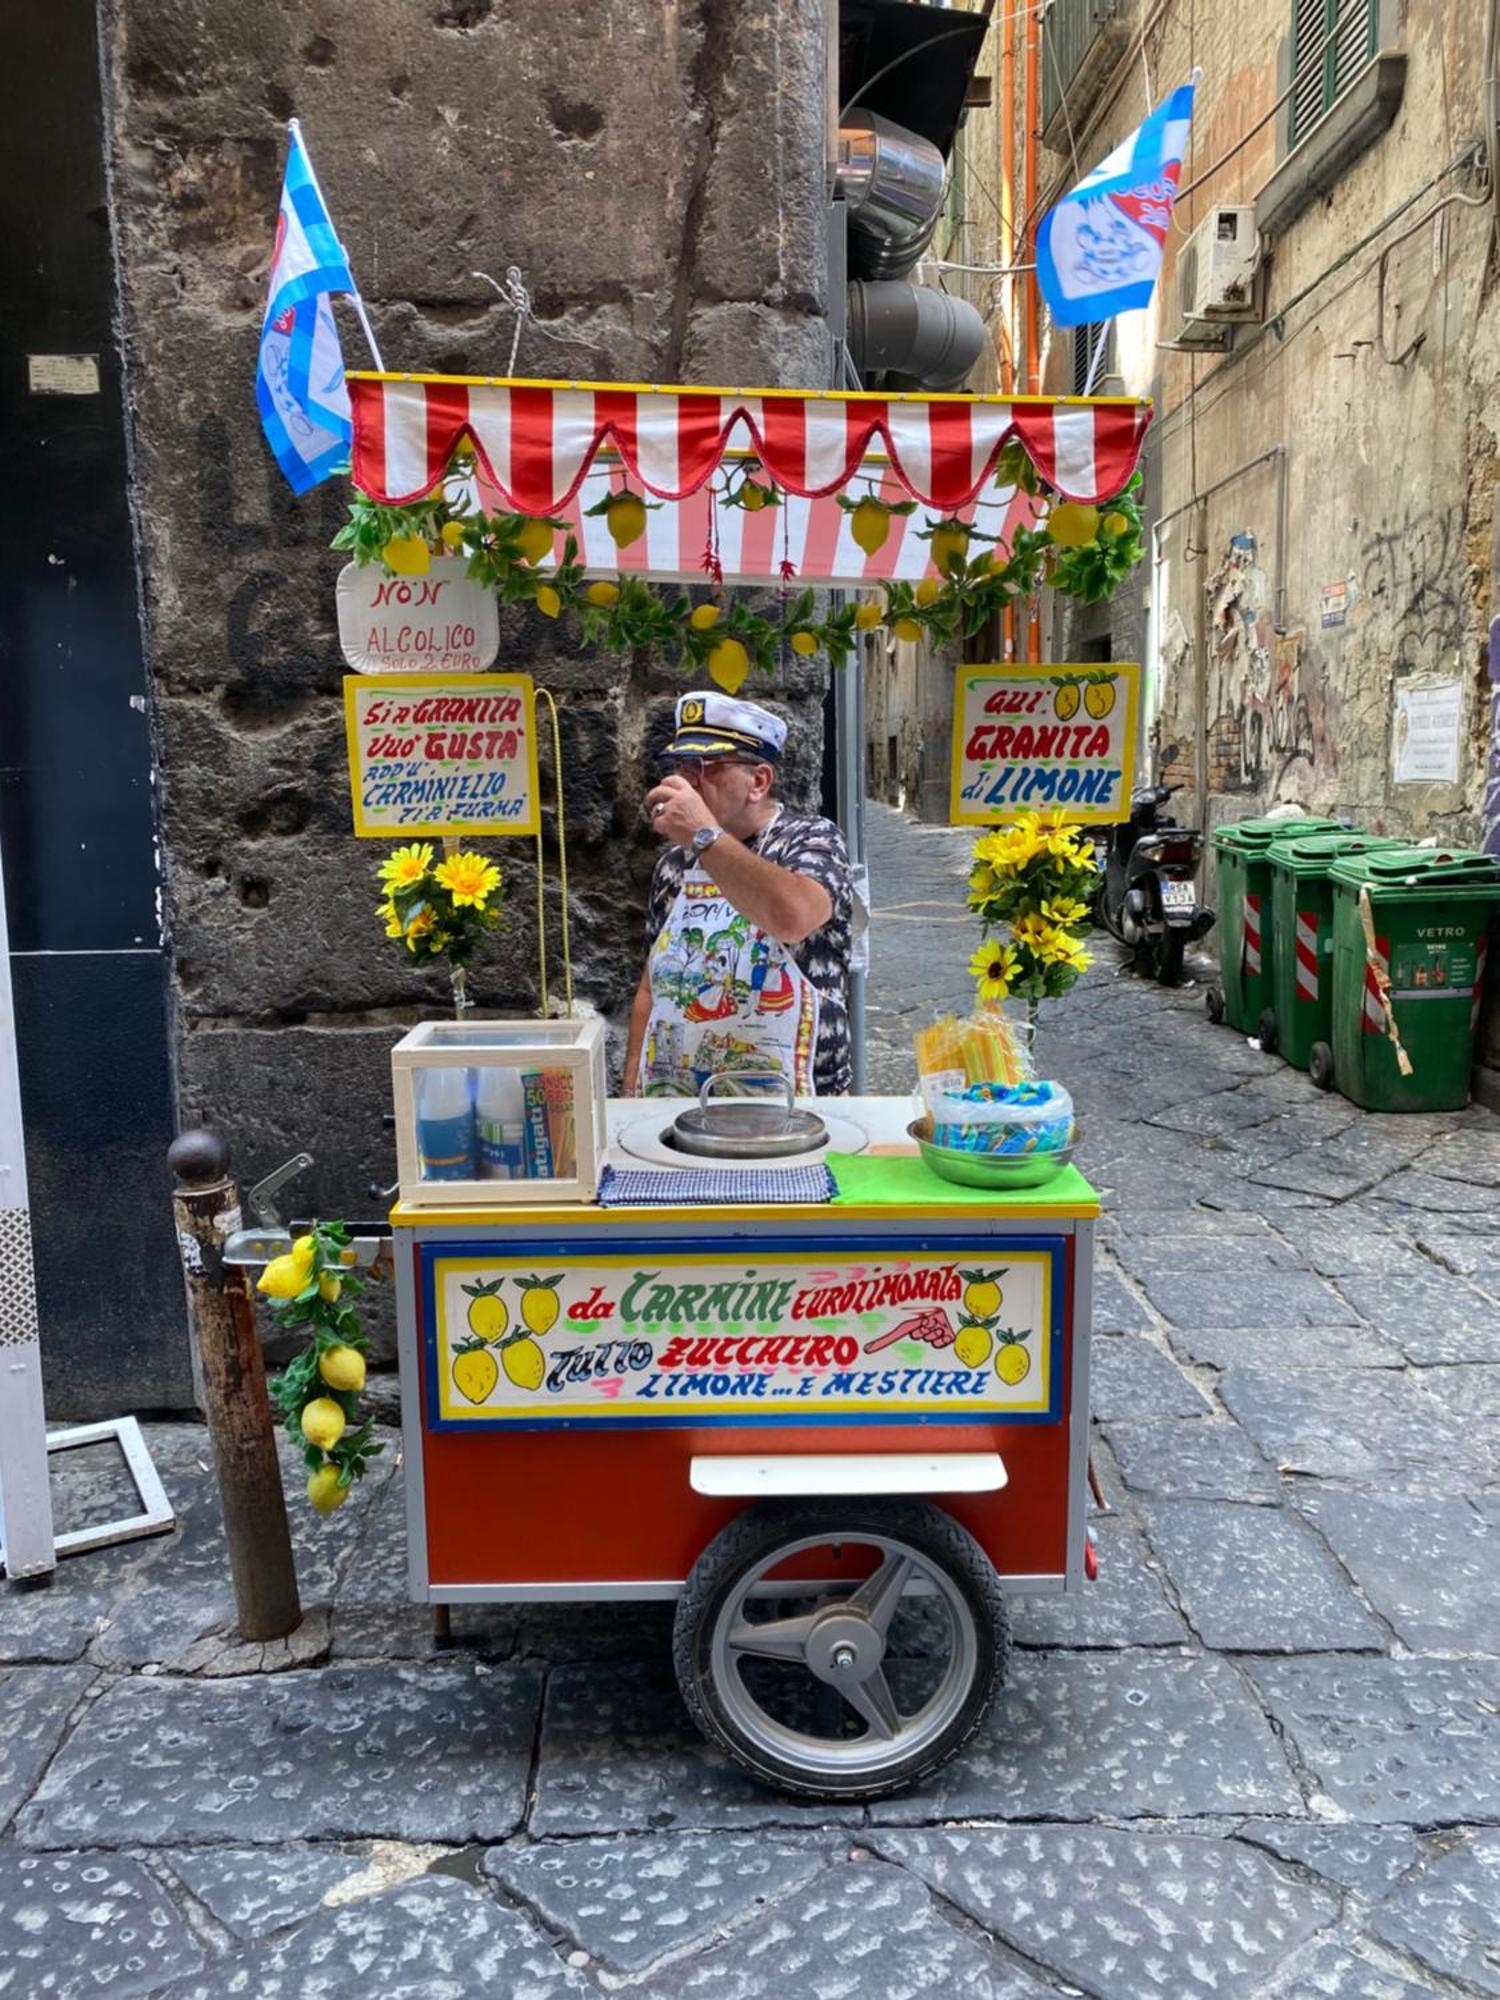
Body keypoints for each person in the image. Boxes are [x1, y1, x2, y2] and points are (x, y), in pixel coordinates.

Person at [625, 691, 853, 1098]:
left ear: (759, 781)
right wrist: (630, 1091)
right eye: (681, 765)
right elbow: (651, 985)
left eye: (703, 767)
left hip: (795, 1106)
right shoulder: (674, 865)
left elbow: (794, 916)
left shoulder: (811, 840)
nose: (687, 780)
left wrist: (703, 835)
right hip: (677, 1100)